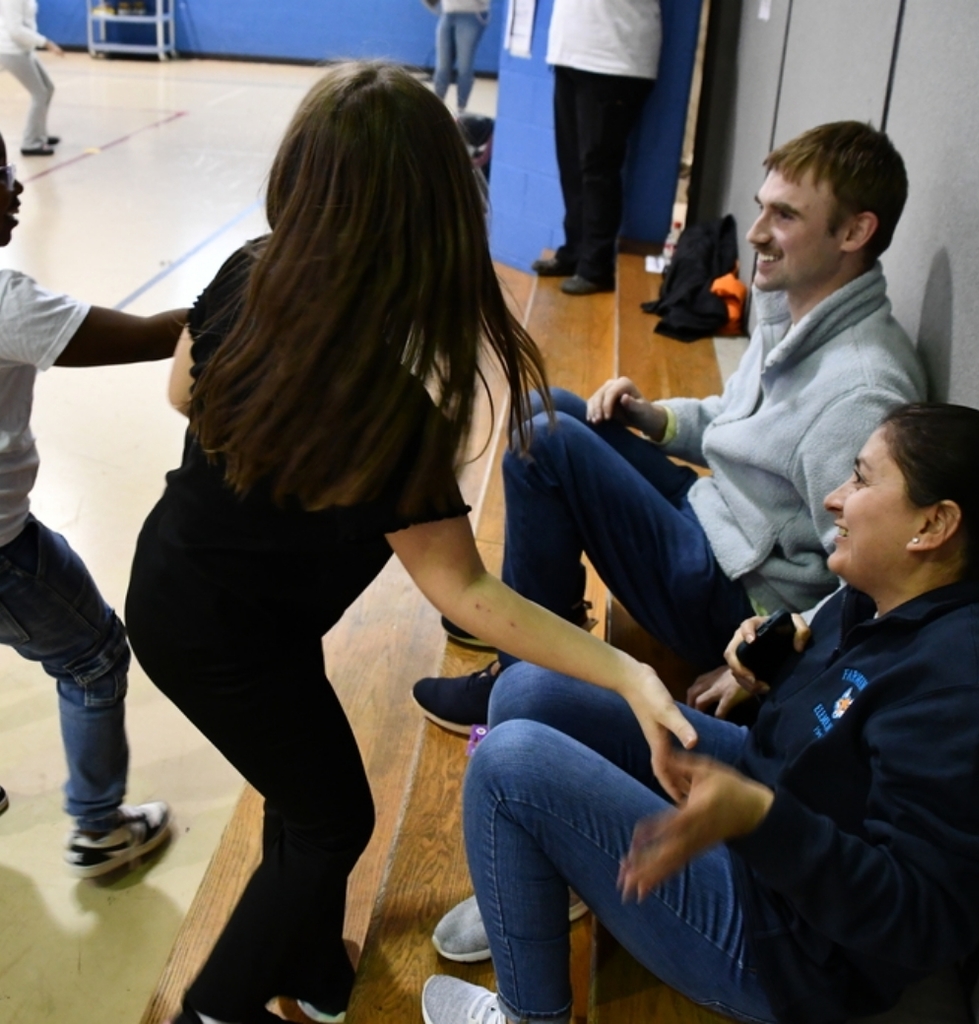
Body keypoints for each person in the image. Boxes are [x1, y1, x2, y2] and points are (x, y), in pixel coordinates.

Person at [124, 61, 692, 1024]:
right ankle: (209, 1010)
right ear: (435, 212)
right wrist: (632, 676)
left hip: (209, 596)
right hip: (217, 630)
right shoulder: (383, 402)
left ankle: (309, 971)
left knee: (299, 792)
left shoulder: (250, 271)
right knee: (331, 812)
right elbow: (469, 595)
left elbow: (181, 392)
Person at [422, 402, 979, 1024]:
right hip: (766, 800)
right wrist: (773, 666)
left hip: (788, 949)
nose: (835, 499)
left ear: (934, 524)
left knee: (505, 765)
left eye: (863, 480)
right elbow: (843, 725)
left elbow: (924, 921)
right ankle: (548, 874)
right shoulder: (892, 597)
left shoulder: (969, 686)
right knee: (528, 691)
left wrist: (759, 820)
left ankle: (528, 1016)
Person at [414, 120, 928, 731]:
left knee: (545, 443)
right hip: (712, 519)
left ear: (854, 231)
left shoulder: (861, 393)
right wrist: (654, 419)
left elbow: (871, 583)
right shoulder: (803, 307)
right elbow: (737, 419)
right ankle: (543, 620)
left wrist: (758, 664)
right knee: (551, 406)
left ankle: (524, 674)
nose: (758, 233)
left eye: (784, 216)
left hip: (736, 601)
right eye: (762, 208)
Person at [0, 128, 181, 873]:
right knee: (94, 656)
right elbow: (150, 336)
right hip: (5, 549)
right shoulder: (8, 303)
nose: (16, 187)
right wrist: (252, 301)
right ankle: (100, 828)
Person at [531, 0, 662, 295]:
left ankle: (596, 267)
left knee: (597, 167)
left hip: (614, 58)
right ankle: (574, 252)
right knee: (572, 165)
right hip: (570, 50)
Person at [0, 0, 63, 156]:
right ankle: (30, 142)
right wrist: (46, 43)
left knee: (48, 88)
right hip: (10, 50)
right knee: (39, 93)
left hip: (24, 48)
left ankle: (40, 135)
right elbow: (15, 30)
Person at [432, 0, 490, 115]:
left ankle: (461, 110)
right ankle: (435, 108)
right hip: (447, 13)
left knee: (464, 66)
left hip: (472, 14)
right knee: (442, 66)